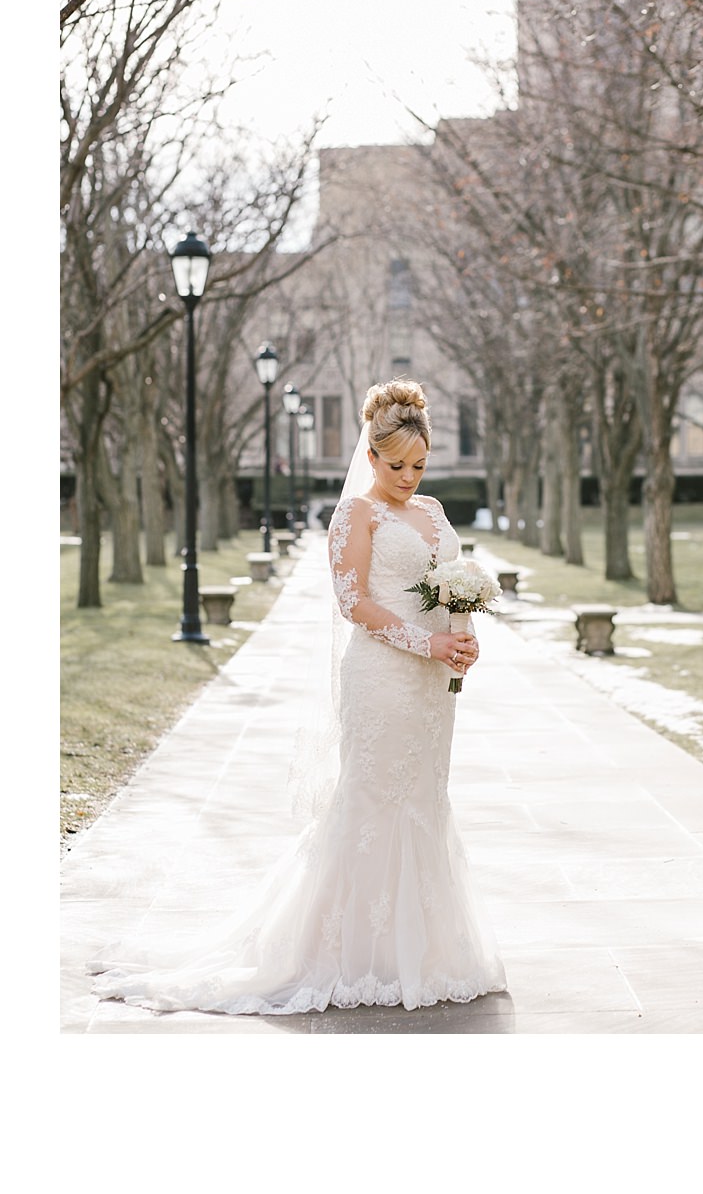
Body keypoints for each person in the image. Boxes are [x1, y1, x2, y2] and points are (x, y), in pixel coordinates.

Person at [90, 380, 506, 1014]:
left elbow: (454, 588)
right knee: (369, 801)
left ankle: (423, 953)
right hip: (382, 677)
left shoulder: (435, 513)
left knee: (426, 794)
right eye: (395, 465)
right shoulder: (356, 515)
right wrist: (425, 647)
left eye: (418, 465)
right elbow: (354, 603)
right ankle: (350, 954)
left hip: (432, 689)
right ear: (370, 456)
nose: (407, 477)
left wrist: (462, 635)